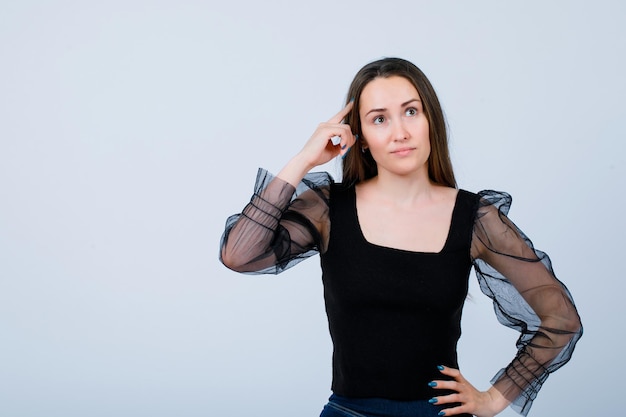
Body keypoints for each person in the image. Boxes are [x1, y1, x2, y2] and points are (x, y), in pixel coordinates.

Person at [219, 57, 582, 417]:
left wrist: (494, 399)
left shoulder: (474, 219)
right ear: (359, 139)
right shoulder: (330, 209)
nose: (400, 132)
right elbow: (239, 255)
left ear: (430, 122)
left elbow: (560, 320)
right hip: (350, 412)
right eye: (379, 119)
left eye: (411, 112)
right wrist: (303, 160)